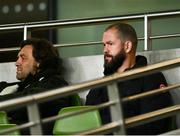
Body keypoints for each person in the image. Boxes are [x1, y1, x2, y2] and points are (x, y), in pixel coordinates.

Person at [86, 22, 176, 134]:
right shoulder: (101, 84)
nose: (105, 50)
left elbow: (153, 127)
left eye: (110, 44)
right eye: (104, 45)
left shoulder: (151, 78)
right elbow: (86, 121)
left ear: (127, 46)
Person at [0, 38, 76, 134]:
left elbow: (33, 98)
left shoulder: (55, 83)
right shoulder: (23, 85)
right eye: (18, 58)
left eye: (23, 58)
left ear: (39, 61)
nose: (17, 63)